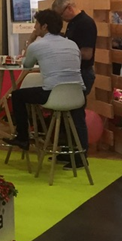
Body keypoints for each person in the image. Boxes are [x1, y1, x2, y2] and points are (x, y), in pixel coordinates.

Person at [7, 9, 83, 149]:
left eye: (37, 24)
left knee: (17, 95)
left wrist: (31, 40)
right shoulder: (72, 44)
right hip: (77, 94)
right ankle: (78, 151)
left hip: (53, 95)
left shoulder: (37, 45)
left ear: (44, 26)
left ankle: (22, 137)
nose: (34, 27)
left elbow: (27, 65)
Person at [50, 0, 97, 160]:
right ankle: (68, 151)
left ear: (69, 8)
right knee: (68, 115)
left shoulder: (85, 23)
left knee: (77, 115)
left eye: (61, 14)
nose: (61, 19)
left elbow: (86, 53)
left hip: (82, 73)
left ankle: (80, 155)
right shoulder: (73, 23)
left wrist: (65, 54)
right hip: (73, 73)